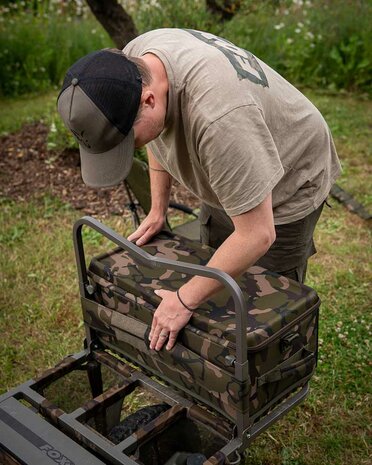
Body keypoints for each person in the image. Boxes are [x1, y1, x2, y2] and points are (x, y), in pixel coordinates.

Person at [57, 28, 341, 353]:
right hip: (237, 152)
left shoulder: (218, 119)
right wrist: (157, 209)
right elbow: (154, 133)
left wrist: (182, 299)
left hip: (290, 172)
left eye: (127, 143)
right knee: (216, 272)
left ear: (149, 99)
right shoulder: (135, 63)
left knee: (262, 301)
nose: (132, 147)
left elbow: (257, 235)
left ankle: (265, 381)